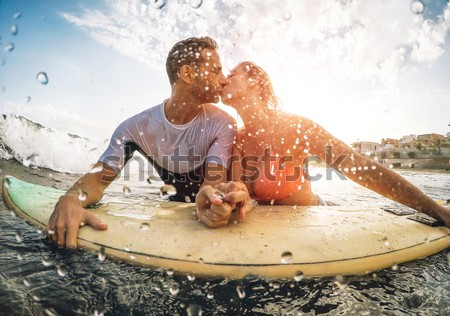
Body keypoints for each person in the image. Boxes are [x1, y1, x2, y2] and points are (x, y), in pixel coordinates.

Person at [47, 37, 250, 248]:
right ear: (188, 74)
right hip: (172, 208)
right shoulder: (135, 129)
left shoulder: (223, 123)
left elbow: (212, 185)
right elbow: (98, 180)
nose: (224, 79)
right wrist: (70, 200)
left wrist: (216, 203)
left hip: (196, 215)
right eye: (216, 70)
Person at [221, 61, 450, 228]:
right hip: (273, 229)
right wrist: (236, 198)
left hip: (318, 214)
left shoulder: (294, 126)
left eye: (232, 73)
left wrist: (437, 211)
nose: (224, 79)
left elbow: (358, 166)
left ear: (254, 80)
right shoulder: (237, 139)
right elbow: (238, 187)